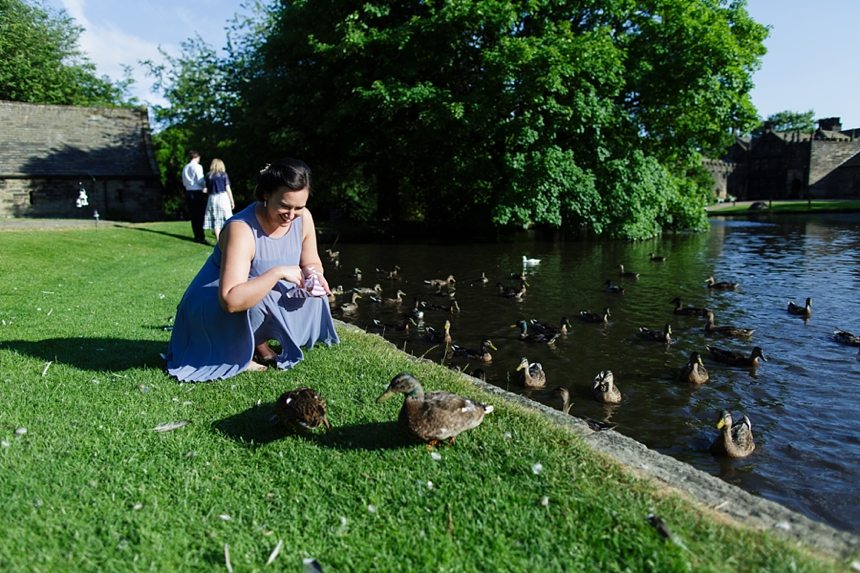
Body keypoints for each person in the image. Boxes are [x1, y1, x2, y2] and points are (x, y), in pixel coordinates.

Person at [166, 158, 340, 382]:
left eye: (299, 207)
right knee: (264, 293)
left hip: (252, 295)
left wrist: (314, 275)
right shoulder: (241, 229)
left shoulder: (303, 218)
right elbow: (230, 300)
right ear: (266, 194)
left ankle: (258, 342)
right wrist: (278, 272)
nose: (291, 215)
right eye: (284, 206)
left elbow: (311, 261)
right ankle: (234, 350)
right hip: (213, 303)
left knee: (313, 294)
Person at [203, 158, 235, 241]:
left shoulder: (208, 175)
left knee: (216, 220)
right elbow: (228, 188)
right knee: (227, 217)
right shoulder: (224, 175)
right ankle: (228, 238)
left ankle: (219, 241)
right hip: (223, 197)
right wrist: (232, 201)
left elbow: (205, 189)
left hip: (212, 198)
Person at [181, 150, 208, 244]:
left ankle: (197, 236)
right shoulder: (197, 166)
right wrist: (206, 186)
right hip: (197, 191)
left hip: (188, 191)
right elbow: (200, 180)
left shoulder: (186, 167)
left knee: (193, 215)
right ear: (197, 157)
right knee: (200, 215)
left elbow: (184, 181)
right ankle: (201, 237)